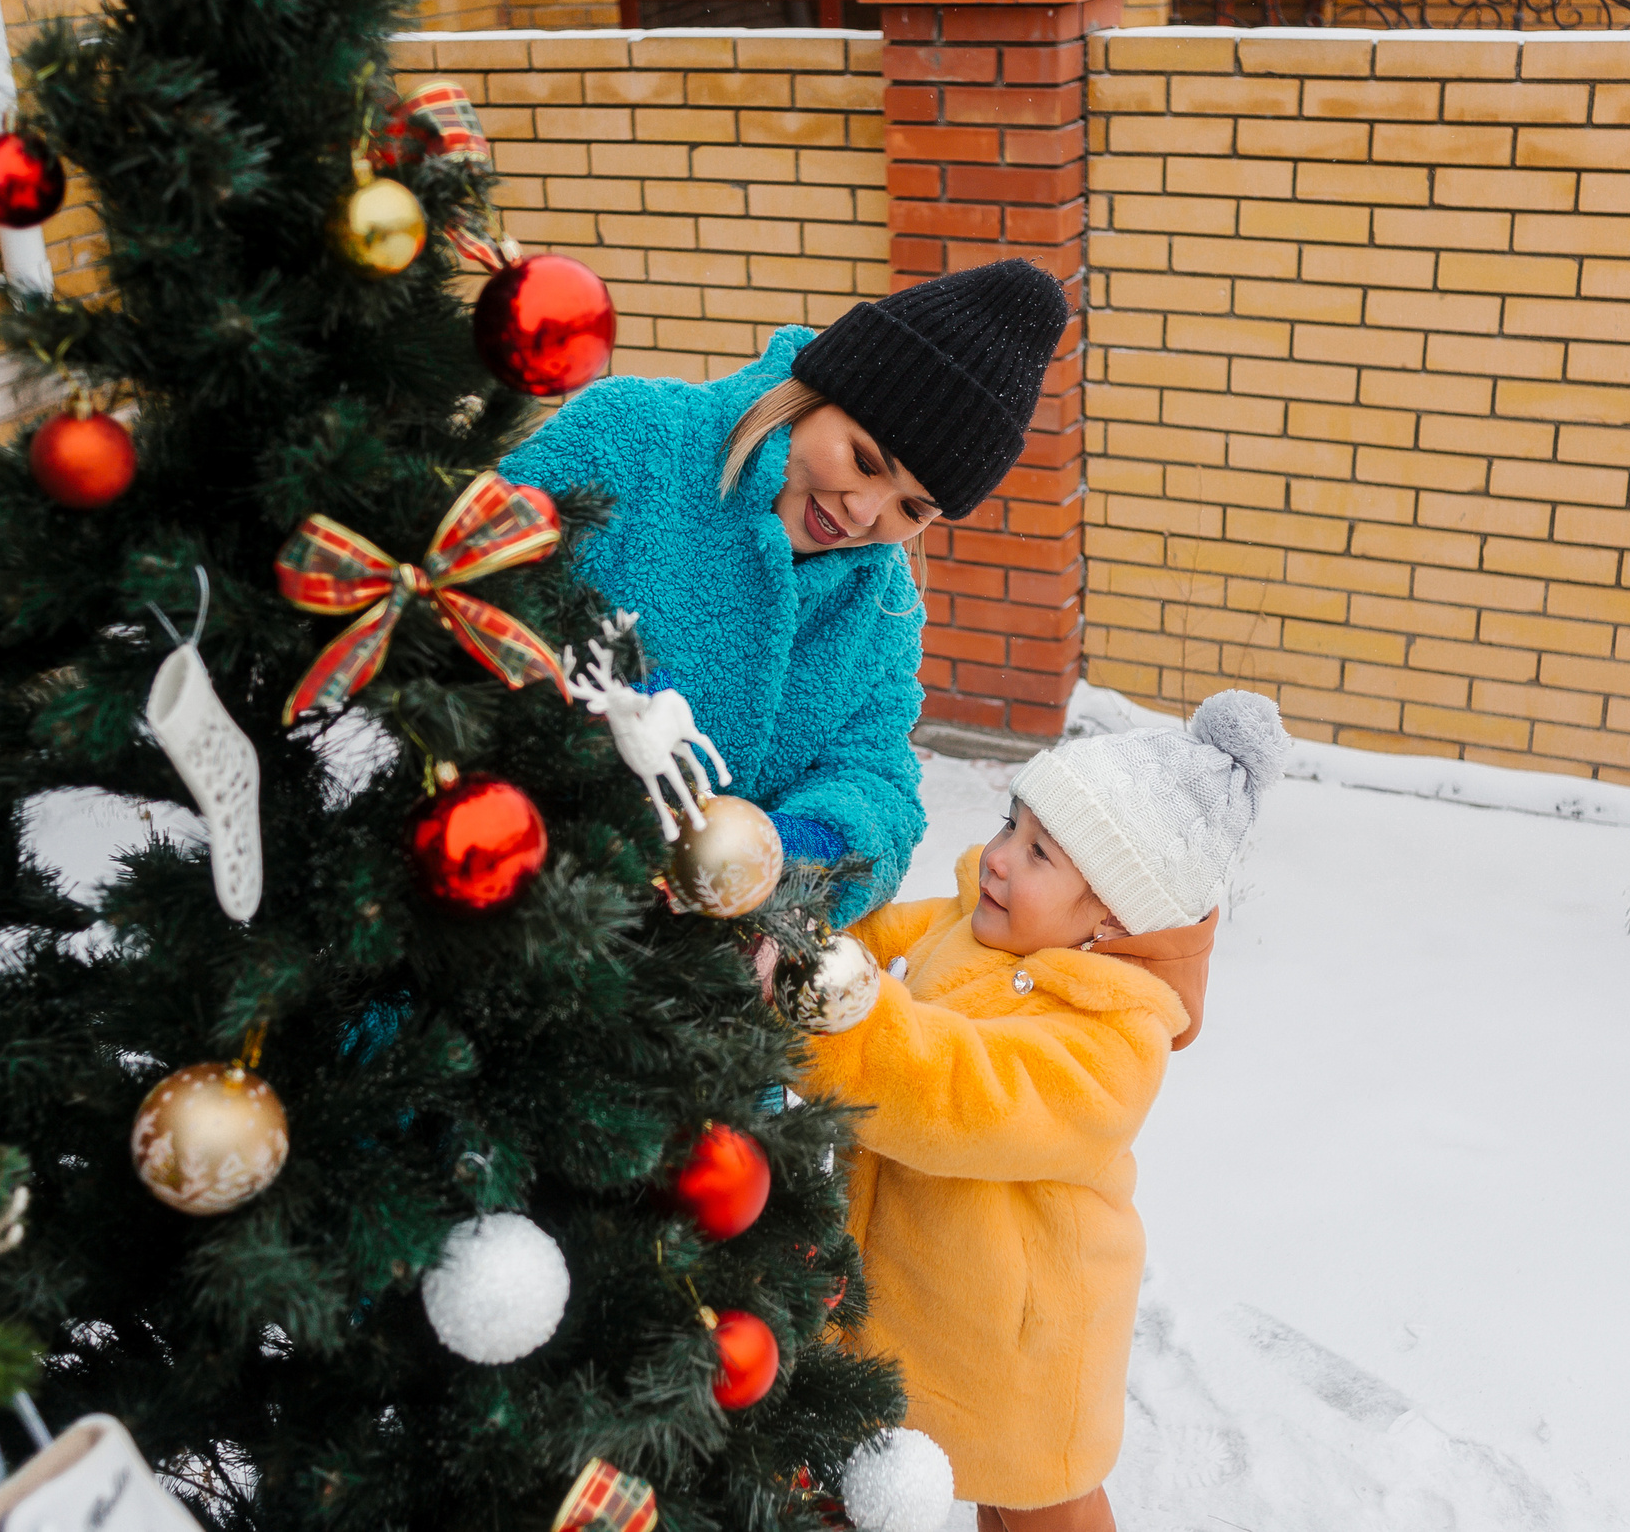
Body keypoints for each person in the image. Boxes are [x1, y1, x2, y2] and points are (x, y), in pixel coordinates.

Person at [782, 691, 1290, 1532]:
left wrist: (848, 1023)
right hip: (907, 1291)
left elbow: (966, 1093)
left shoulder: (1114, 1042)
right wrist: (801, 942)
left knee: (1035, 1495)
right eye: (1010, 822)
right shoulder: (972, 925)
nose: (997, 857)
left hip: (1028, 1341)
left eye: (1040, 852)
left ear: (1110, 919)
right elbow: (872, 936)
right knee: (872, 1453)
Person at [504, 259, 1068, 921]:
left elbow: (877, 783)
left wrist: (784, 855)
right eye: (863, 460)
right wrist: (612, 695)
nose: (864, 514)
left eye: (912, 510)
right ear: (818, 391)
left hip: (677, 975)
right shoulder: (630, 438)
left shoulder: (881, 611)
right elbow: (478, 566)